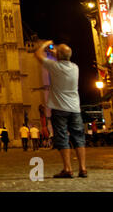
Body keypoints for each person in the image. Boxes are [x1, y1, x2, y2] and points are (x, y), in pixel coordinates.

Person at [35, 40, 87, 178]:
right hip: (75, 109)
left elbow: (38, 55)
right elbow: (63, 58)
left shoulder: (54, 66)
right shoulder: (75, 67)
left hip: (59, 109)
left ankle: (68, 169)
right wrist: (57, 53)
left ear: (58, 56)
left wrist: (44, 45)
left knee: (63, 138)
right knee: (79, 138)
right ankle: (83, 168)